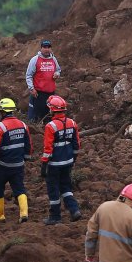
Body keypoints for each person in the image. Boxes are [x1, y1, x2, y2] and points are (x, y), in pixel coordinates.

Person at [0, 98, 32, 222]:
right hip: (18, 165)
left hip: (2, 165)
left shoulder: (0, 127)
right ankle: (24, 213)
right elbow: (28, 144)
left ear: (2, 112)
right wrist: (26, 157)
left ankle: (0, 215)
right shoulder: (23, 125)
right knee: (19, 188)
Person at [41, 95, 81, 225]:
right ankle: (74, 209)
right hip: (68, 161)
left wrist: (44, 165)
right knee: (66, 187)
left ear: (52, 110)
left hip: (54, 164)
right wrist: (73, 158)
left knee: (53, 190)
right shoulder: (72, 123)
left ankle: (55, 216)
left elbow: (48, 148)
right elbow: (76, 144)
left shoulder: (50, 126)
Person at [25, 39, 61, 123]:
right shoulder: (35, 60)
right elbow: (29, 75)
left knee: (49, 115)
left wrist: (57, 74)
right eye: (44, 47)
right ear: (41, 48)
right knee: (38, 116)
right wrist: (31, 88)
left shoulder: (53, 59)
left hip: (51, 93)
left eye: (48, 47)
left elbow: (58, 70)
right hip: (39, 93)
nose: (46, 49)